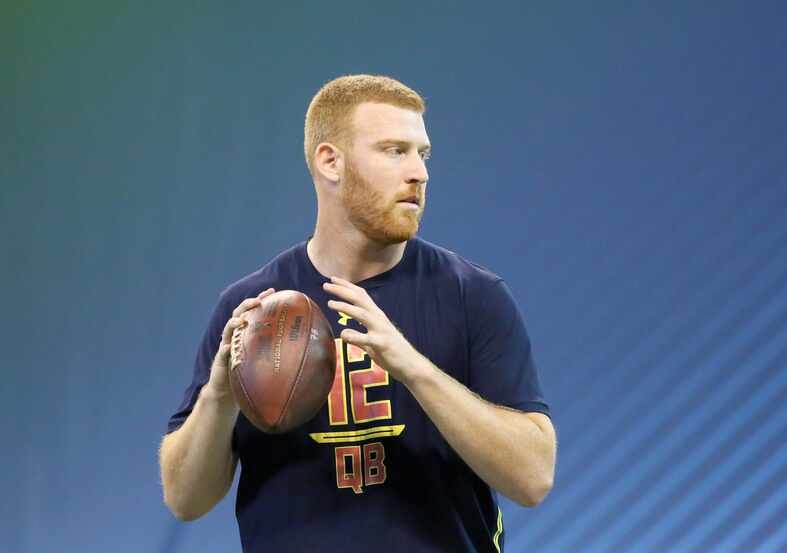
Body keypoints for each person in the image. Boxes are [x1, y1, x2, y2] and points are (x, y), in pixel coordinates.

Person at [159, 74, 556, 553]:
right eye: (394, 151)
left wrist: (412, 368)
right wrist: (220, 396)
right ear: (330, 162)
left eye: (422, 153)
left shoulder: (473, 296)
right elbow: (186, 499)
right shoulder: (251, 310)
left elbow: (533, 479)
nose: (419, 173)